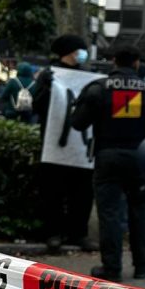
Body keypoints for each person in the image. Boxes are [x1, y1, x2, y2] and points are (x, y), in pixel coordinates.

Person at [71, 47, 145, 281]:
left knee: (110, 213)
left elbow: (78, 123)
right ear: (137, 63)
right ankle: (143, 265)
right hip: (141, 157)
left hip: (108, 157)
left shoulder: (97, 88)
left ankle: (112, 268)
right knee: (141, 211)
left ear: (114, 61)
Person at [32, 34, 97, 253]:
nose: (82, 54)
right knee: (53, 192)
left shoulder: (88, 76)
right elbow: (37, 106)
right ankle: (53, 233)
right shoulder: (50, 75)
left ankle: (79, 234)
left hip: (81, 146)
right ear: (70, 52)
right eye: (80, 49)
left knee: (83, 192)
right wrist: (48, 88)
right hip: (54, 144)